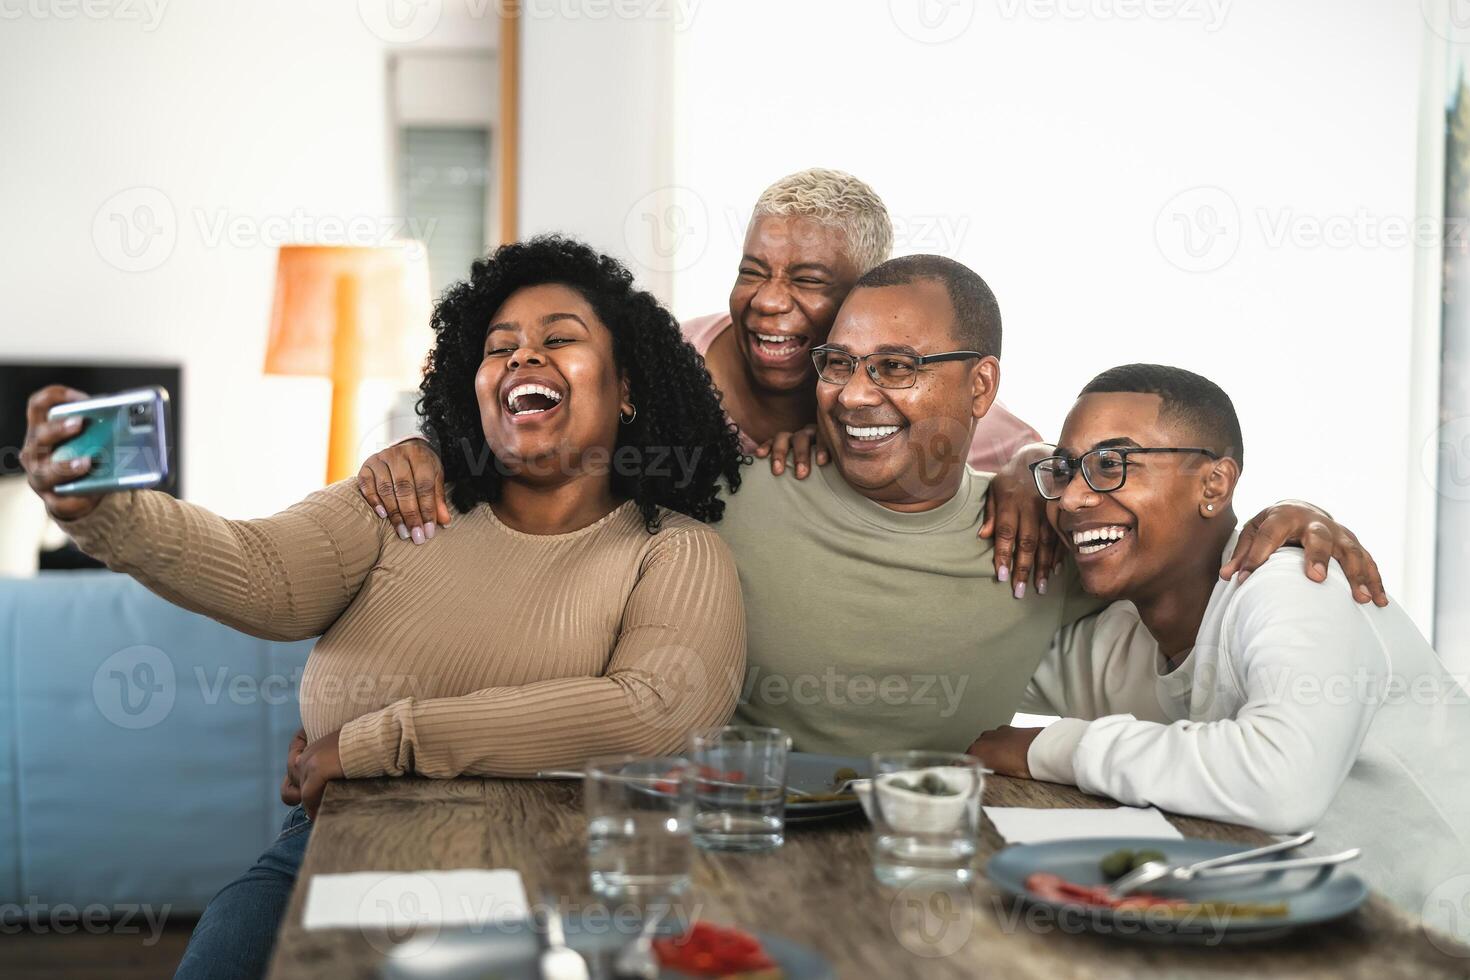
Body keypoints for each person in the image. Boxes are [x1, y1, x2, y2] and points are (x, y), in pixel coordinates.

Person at [20, 236, 748, 980]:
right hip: (331, 851)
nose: (524, 358)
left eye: (559, 338)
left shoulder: (672, 552)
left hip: (556, 870)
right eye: (500, 348)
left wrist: (378, 743)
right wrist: (107, 511)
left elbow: (655, 714)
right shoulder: (402, 502)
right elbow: (261, 572)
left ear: (626, 387)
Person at [352, 255, 1384, 758]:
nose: (853, 392)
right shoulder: (735, 485)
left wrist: (1289, 506)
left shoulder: (1046, 530)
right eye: (840, 364)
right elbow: (547, 448)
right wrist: (432, 450)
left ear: (979, 388)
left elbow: (1164, 518)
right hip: (712, 827)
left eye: (896, 365)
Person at [969, 364, 1470, 934]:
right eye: (1065, 471)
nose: (1074, 498)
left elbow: (1280, 781)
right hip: (1309, 943)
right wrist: (1018, 462)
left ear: (1214, 485)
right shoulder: (1120, 641)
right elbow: (956, 674)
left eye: (1112, 464)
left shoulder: (1295, 585)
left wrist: (1047, 747)